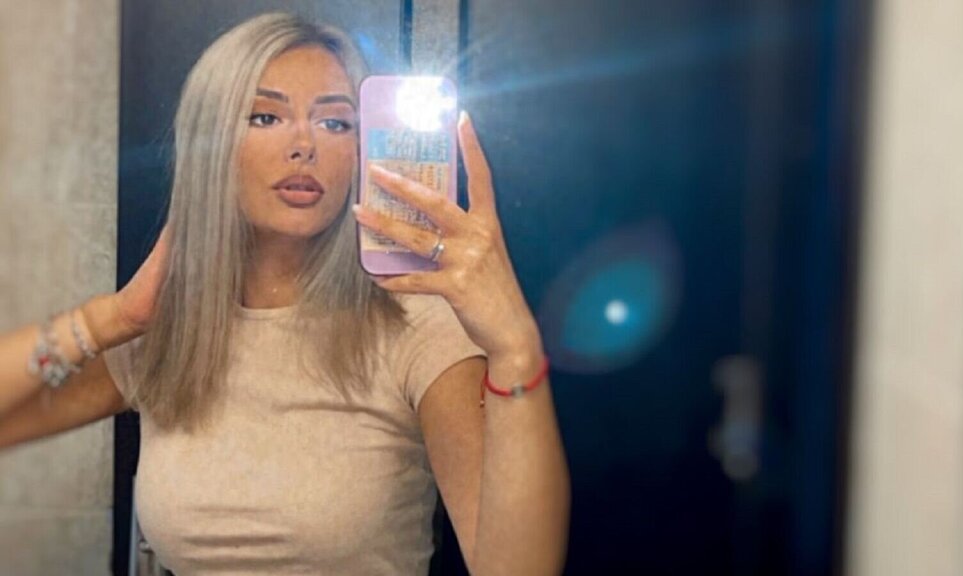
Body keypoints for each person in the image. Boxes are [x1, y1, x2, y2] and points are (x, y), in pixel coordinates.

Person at [0, 12, 570, 575]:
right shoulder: (174, 331)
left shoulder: (413, 329)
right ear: (211, 147)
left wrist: (515, 348)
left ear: (363, 151)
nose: (304, 145)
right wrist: (114, 317)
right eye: (266, 116)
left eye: (335, 123)